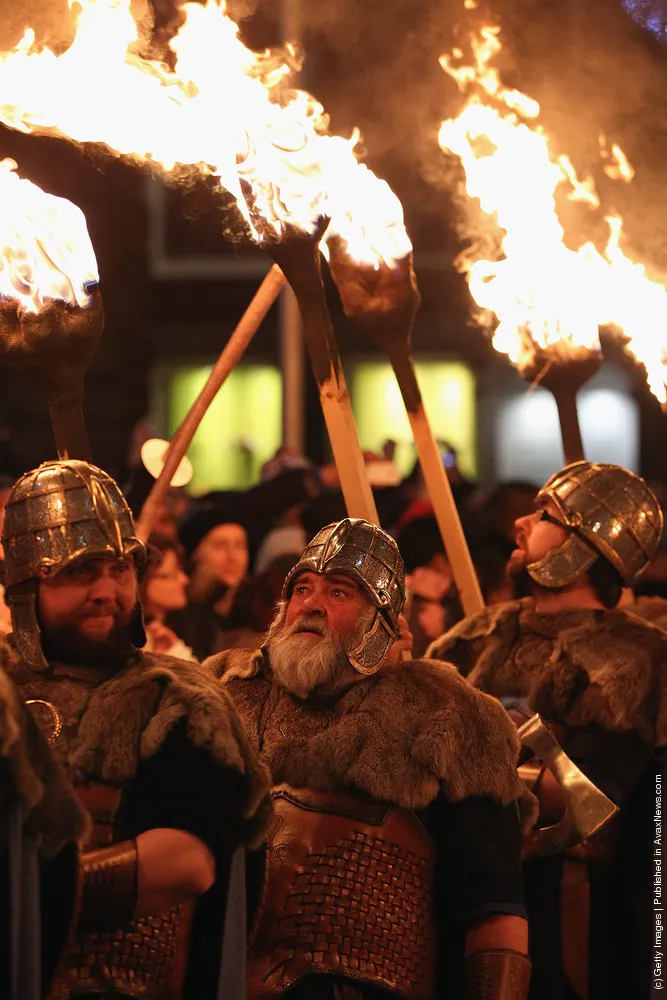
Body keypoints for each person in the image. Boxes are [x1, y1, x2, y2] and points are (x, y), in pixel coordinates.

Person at [206, 517, 531, 1000]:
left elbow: (494, 911)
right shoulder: (226, 692)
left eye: (339, 593)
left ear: (381, 622)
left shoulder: (447, 714)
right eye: (302, 588)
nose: (312, 604)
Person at [0, 459, 272, 1000]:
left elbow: (190, 860)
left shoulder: (176, 700)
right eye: (80, 572)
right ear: (29, 585)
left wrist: (35, 896)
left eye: (120, 569)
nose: (107, 591)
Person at [427, 460, 667, 1000]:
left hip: (565, 912)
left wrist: (488, 744)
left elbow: (580, 805)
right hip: (452, 892)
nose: (520, 523)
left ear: (585, 547)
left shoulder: (635, 658)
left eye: (544, 515)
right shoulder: (471, 639)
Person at [141, 533, 195, 659]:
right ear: (144, 581)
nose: (184, 580)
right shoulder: (131, 645)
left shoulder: (186, 630)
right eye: (172, 574)